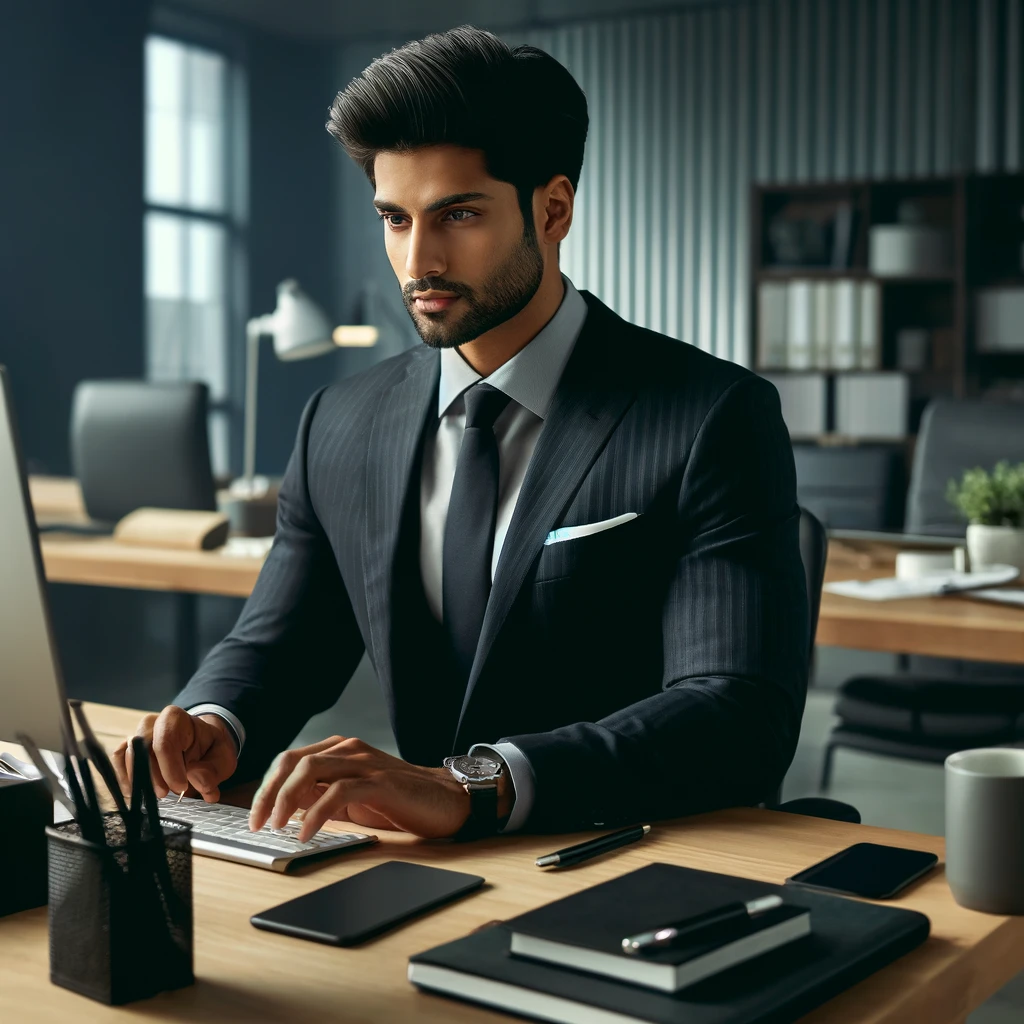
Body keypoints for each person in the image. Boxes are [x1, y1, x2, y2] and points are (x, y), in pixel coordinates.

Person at [112, 25, 808, 843]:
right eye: (395, 219)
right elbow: (281, 639)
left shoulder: (712, 416)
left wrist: (473, 783)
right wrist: (211, 722)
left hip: (622, 854)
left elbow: (734, 711)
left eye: (458, 215)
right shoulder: (338, 421)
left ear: (552, 211)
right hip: (420, 870)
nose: (418, 263)